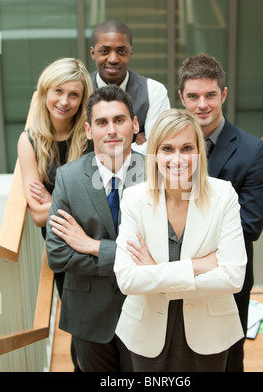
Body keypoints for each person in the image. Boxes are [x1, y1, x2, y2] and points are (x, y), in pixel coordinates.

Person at [114, 109, 247, 372]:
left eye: (187, 148)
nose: (178, 158)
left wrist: (154, 273)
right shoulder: (134, 199)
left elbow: (233, 277)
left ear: (199, 151)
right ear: (154, 154)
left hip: (209, 332)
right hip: (147, 331)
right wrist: (198, 266)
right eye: (167, 148)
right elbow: (127, 280)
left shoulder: (224, 195)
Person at [177, 53, 263, 372]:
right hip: (175, 273)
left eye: (210, 95)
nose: (202, 104)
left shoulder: (251, 150)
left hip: (227, 278)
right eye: (193, 96)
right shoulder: (166, 147)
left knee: (228, 359)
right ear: (181, 98)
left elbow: (251, 225)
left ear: (223, 95)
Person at [46, 85, 145, 372]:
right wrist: (129, 258)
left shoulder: (156, 174)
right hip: (88, 315)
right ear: (89, 130)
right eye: (102, 122)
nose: (111, 130)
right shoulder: (68, 178)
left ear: (134, 125)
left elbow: (164, 252)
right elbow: (58, 255)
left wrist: (92, 245)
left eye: (119, 120)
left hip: (144, 310)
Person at [17, 57, 94, 297]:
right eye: (58, 91)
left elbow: (98, 205)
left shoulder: (91, 135)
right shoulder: (29, 140)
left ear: (82, 99)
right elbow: (38, 216)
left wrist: (53, 201)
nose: (64, 101)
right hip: (60, 246)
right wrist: (75, 202)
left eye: (74, 94)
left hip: (93, 240)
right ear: (45, 91)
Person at [90, 19, 170, 154]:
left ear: (130, 53)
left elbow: (158, 149)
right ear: (93, 53)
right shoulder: (79, 90)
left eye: (121, 51)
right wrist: (135, 147)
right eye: (104, 51)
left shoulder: (154, 91)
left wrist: (102, 147)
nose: (113, 59)